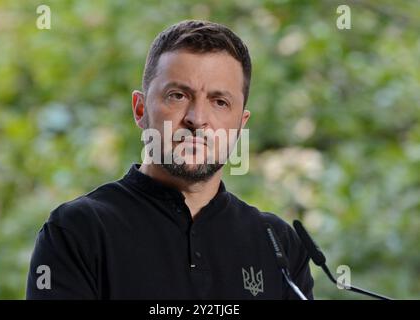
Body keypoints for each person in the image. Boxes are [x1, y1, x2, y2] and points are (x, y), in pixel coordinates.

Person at [26, 20, 314, 299]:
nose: (197, 119)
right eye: (177, 95)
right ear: (140, 110)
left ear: (241, 123)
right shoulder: (78, 231)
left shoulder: (278, 245)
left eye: (219, 102)